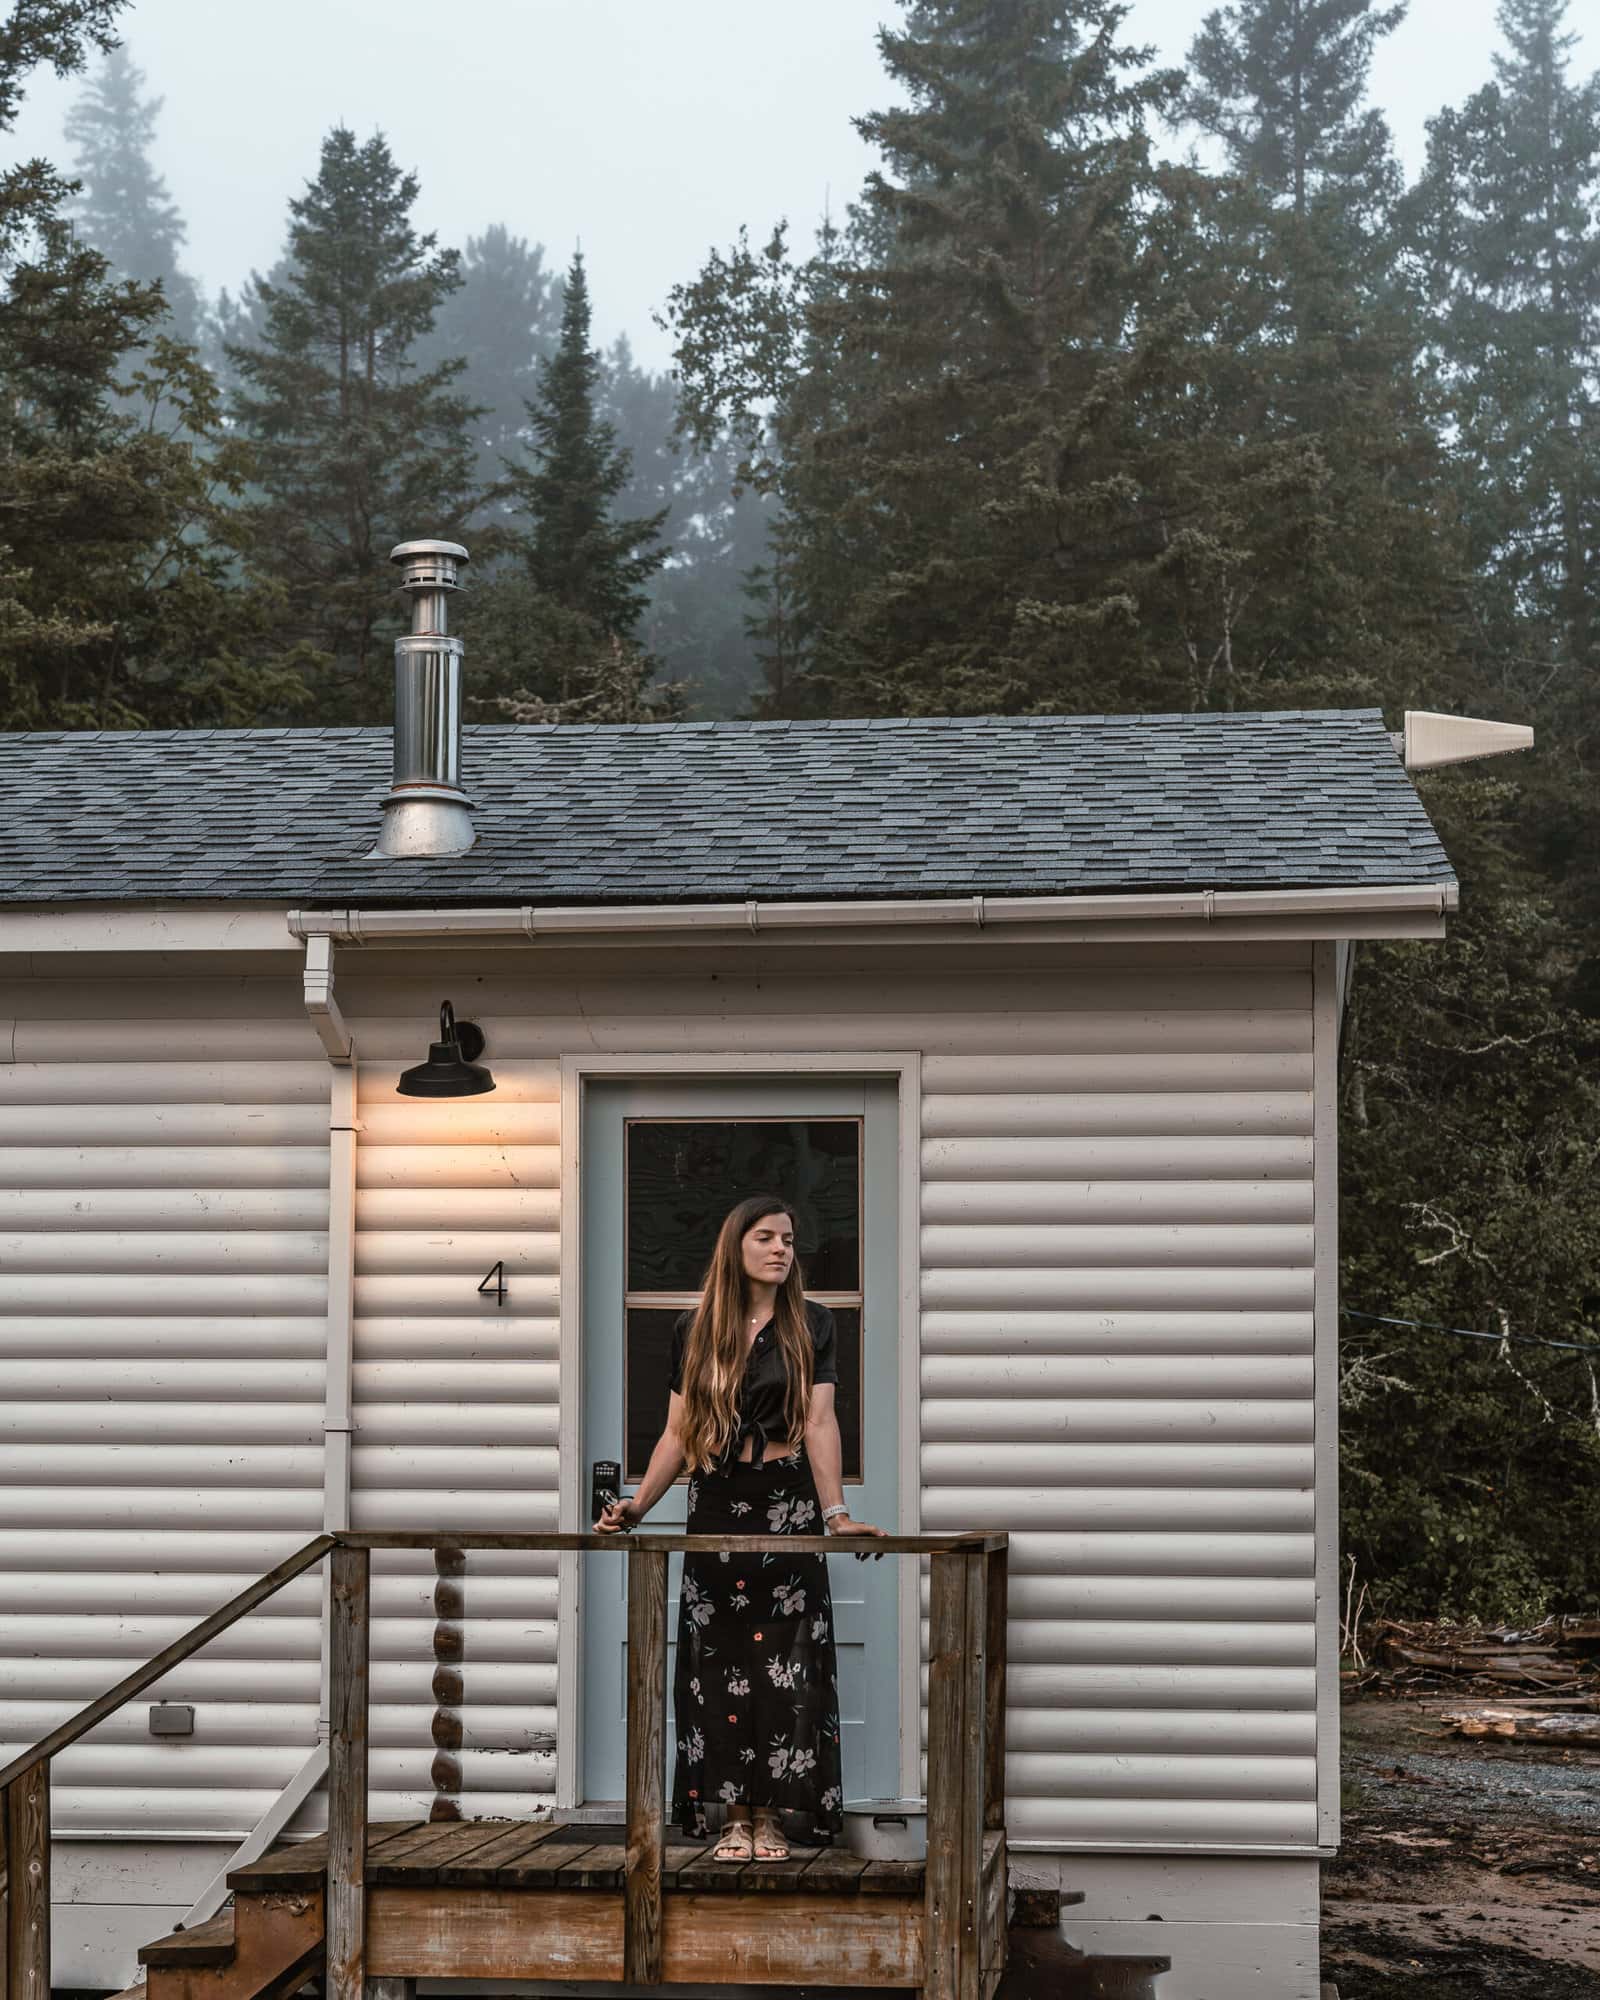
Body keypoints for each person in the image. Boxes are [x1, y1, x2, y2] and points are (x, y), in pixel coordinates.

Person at [595, 1192, 886, 1860]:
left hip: (787, 1506)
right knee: (719, 1664)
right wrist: (638, 1505)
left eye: (789, 1239)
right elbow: (677, 1431)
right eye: (767, 1237)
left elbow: (818, 1423)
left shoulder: (813, 1324)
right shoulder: (694, 1331)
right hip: (718, 1502)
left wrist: (836, 1514)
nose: (783, 1249)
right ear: (736, 1246)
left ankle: (774, 1819)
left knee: (785, 1667)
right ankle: (733, 1817)